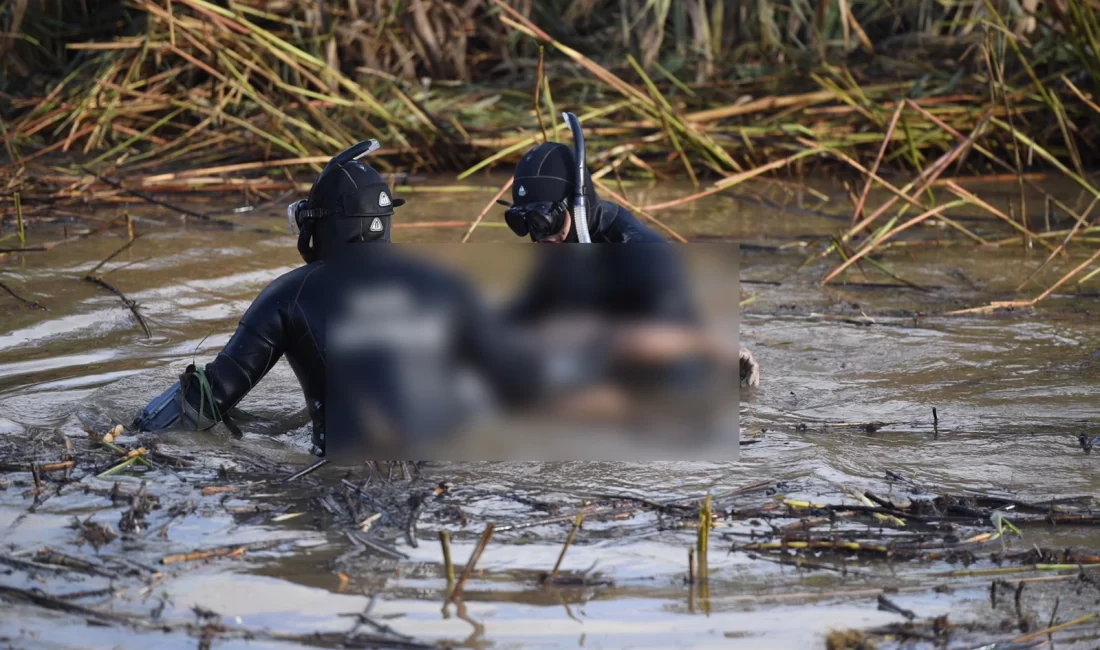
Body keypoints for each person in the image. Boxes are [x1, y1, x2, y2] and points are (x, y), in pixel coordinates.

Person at [132, 140, 608, 458]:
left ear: (323, 223)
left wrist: (126, 433)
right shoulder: (444, 279)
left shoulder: (288, 293)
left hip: (341, 472)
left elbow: (207, 401)